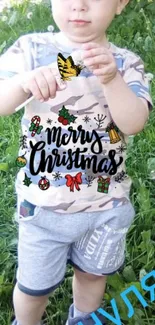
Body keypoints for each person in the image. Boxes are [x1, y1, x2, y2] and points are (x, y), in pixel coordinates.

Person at [0, 0, 153, 324]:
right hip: (43, 208)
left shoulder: (127, 64)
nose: (79, 6)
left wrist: (111, 79)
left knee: (93, 276)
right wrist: (25, 83)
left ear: (120, 4)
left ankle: (83, 317)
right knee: (33, 288)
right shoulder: (31, 49)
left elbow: (133, 123)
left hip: (105, 206)